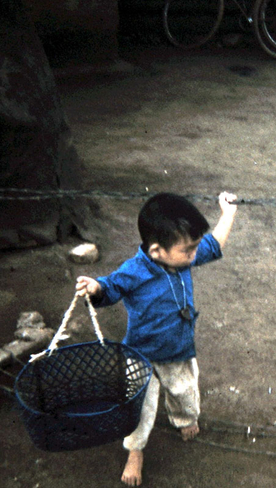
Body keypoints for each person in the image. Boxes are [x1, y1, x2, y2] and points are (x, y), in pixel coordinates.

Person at [76, 191, 238, 486]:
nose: (194, 255)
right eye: (188, 250)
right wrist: (96, 287)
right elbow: (110, 287)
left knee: (185, 393)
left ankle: (184, 419)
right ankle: (135, 450)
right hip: (141, 355)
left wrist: (227, 214)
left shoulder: (181, 256)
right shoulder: (135, 271)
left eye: (195, 248)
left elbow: (213, 245)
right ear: (155, 251)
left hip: (179, 349)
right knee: (139, 406)